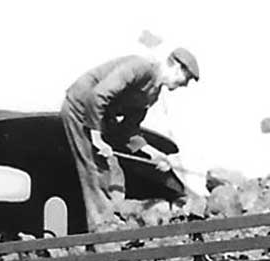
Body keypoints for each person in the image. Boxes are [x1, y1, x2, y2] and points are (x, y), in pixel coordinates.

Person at [61, 47, 200, 228]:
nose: (185, 84)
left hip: (100, 117)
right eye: (186, 78)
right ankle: (103, 228)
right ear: (176, 67)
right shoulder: (139, 67)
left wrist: (153, 153)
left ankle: (110, 218)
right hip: (81, 108)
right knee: (96, 168)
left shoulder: (152, 94)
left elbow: (129, 129)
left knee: (113, 168)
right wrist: (97, 138)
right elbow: (98, 95)